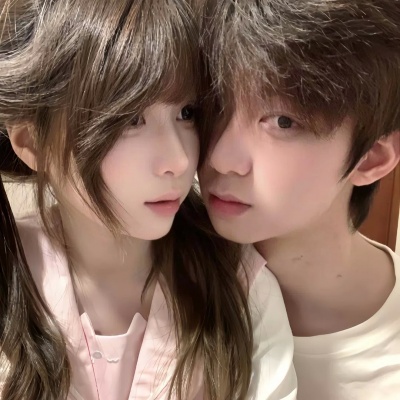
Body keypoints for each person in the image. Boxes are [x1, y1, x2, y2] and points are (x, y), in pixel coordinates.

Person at [0, 0, 296, 399]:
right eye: (130, 119)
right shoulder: (11, 275)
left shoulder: (240, 285)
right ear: (33, 143)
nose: (179, 160)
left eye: (187, 113)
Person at [199, 1, 400, 399]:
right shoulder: (155, 274)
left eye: (283, 122)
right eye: (212, 106)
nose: (220, 158)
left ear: (371, 159)